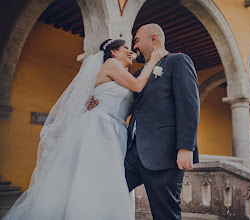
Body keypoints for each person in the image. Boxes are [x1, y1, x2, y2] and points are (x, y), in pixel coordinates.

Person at [2, 39, 167, 220]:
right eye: (125, 48)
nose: (130, 51)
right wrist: (153, 60)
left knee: (107, 182)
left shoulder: (122, 73)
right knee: (91, 177)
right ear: (113, 52)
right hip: (100, 127)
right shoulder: (111, 64)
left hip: (117, 131)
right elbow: (137, 85)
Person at [90, 23, 200, 220]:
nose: (134, 47)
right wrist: (99, 102)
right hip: (134, 153)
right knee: (108, 193)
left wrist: (186, 146)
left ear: (153, 39)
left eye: (137, 40)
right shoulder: (140, 74)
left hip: (165, 154)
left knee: (164, 214)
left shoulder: (178, 61)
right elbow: (127, 105)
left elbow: (189, 104)